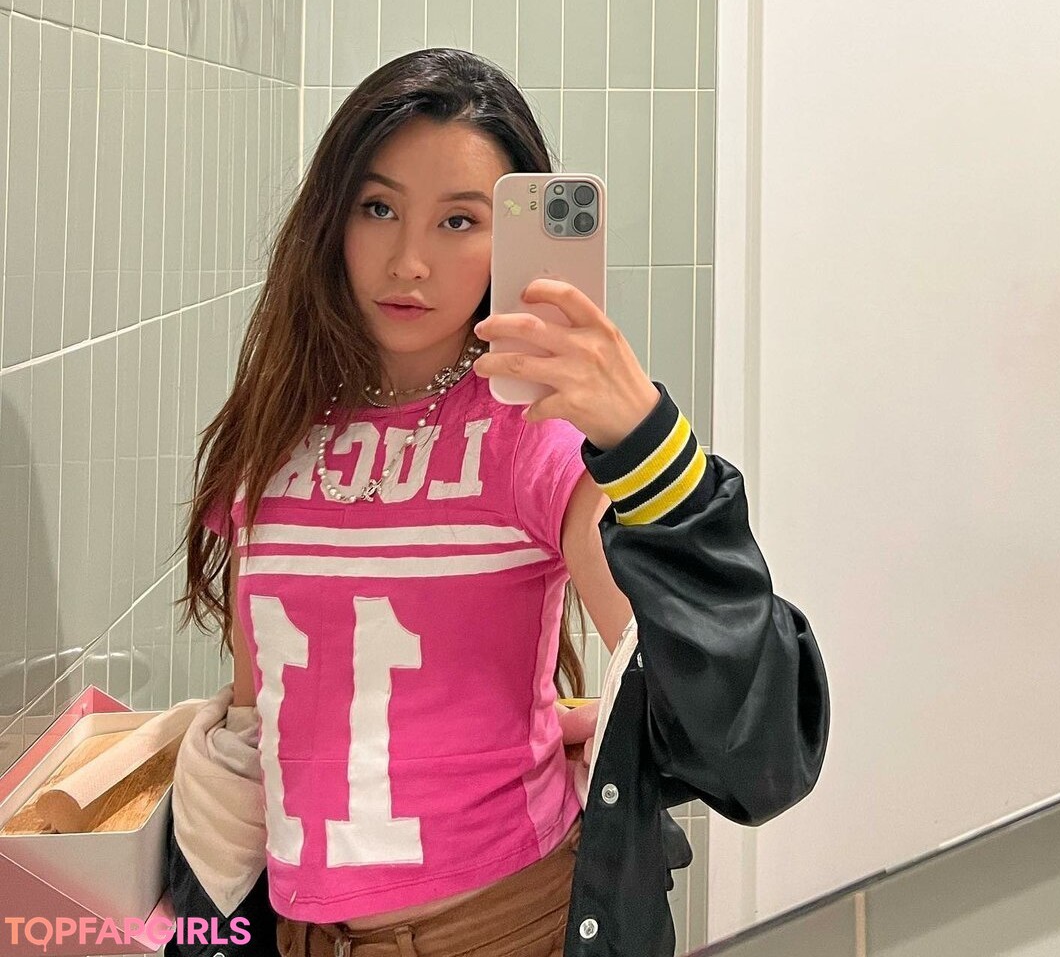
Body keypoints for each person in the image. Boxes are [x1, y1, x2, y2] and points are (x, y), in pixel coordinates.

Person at [173, 48, 829, 957]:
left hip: (507, 926)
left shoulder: (534, 438)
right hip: (302, 933)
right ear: (330, 217)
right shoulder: (273, 434)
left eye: (459, 221)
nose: (409, 261)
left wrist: (644, 440)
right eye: (378, 208)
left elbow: (746, 744)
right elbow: (258, 720)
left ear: (508, 241)